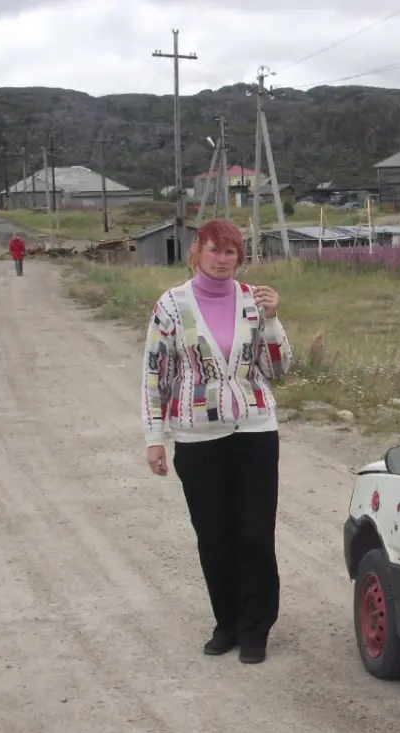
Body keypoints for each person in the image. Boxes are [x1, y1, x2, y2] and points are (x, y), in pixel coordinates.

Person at [140, 218, 293, 664]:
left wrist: (272, 320)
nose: (223, 260)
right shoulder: (171, 306)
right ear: (197, 252)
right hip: (197, 435)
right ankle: (226, 622)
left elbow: (279, 369)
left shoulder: (253, 301)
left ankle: (255, 629)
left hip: (256, 431)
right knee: (214, 535)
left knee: (255, 533)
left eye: (231, 253)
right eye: (215, 250)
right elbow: (154, 376)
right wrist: (155, 437)